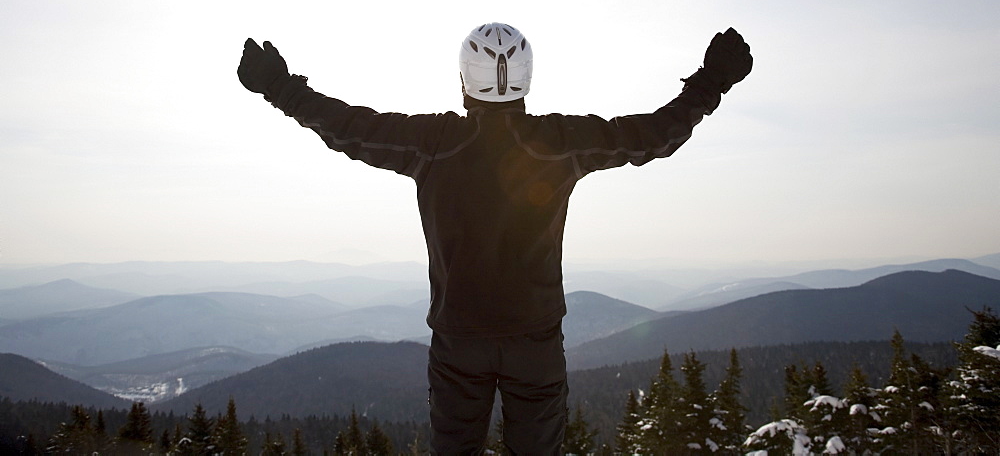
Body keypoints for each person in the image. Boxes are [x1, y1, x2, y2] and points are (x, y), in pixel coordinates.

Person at [237, 23, 752, 455]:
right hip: (536, 341)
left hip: (459, 341)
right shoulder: (560, 143)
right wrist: (711, 83)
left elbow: (347, 127)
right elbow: (653, 135)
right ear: (526, 81)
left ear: (464, 82)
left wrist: (281, 89)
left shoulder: (433, 144)